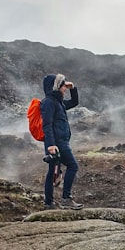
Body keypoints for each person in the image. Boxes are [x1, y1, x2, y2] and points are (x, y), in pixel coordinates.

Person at [41, 73, 82, 209]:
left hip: (58, 142)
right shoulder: (48, 102)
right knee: (73, 166)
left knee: (52, 170)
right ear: (56, 86)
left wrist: (72, 88)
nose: (65, 88)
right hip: (57, 143)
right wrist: (51, 145)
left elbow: (75, 102)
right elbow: (47, 125)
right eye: (63, 85)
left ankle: (49, 203)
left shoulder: (59, 103)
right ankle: (66, 199)